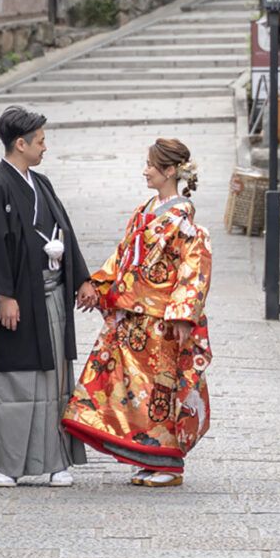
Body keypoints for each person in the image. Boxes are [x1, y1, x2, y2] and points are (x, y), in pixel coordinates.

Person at [63, 138, 212, 488]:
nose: (145, 170)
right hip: (132, 318)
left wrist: (182, 314)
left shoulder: (184, 222)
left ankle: (169, 463)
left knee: (160, 392)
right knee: (131, 390)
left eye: (151, 165)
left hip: (162, 323)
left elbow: (194, 270)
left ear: (170, 171)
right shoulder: (146, 210)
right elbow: (122, 256)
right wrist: (99, 286)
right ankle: (146, 456)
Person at [0, 106, 98, 487]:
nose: (45, 147)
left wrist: (81, 281)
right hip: (21, 300)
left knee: (56, 380)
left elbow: (66, 231)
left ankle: (57, 461)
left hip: (52, 296)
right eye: (40, 141)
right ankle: (10, 464)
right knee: (18, 383)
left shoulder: (41, 184)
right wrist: (4, 296)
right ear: (20, 143)